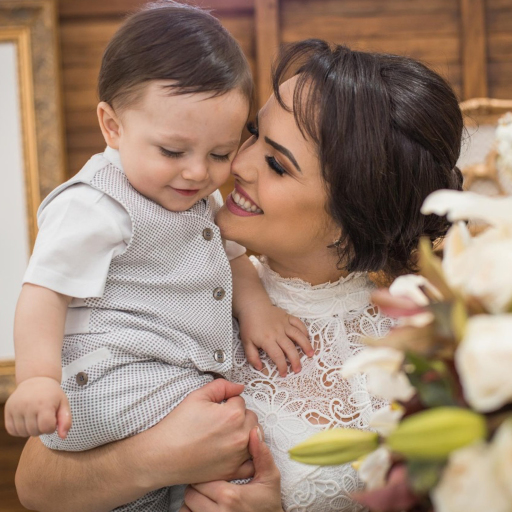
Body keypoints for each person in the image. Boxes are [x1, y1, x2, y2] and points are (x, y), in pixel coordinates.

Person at [15, 39, 463, 512]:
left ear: (355, 217)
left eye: (275, 164)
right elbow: (34, 482)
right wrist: (153, 459)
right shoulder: (183, 282)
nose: (235, 165)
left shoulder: (430, 349)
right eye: (251, 133)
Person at [5, 3, 313, 511]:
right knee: (227, 443)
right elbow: (43, 291)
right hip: (113, 380)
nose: (197, 173)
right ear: (112, 126)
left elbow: (229, 254)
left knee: (201, 469)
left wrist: (257, 309)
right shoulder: (94, 204)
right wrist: (37, 378)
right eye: (173, 152)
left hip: (172, 373)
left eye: (219, 154)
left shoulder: (192, 195)